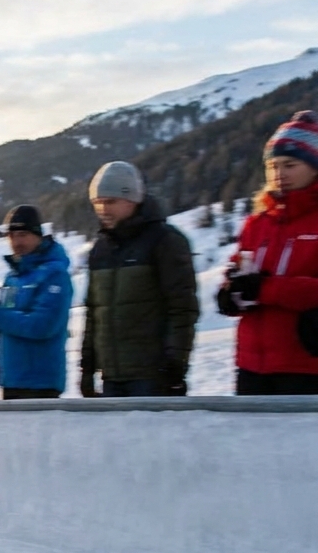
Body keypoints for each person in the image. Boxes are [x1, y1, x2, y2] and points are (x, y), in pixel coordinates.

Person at [217, 111, 318, 394]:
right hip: (252, 364)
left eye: (290, 165)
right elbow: (241, 266)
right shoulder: (258, 221)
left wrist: (265, 289)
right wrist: (230, 290)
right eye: (272, 166)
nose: (279, 174)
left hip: (305, 365)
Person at [81, 162, 199, 397]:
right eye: (98, 202)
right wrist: (88, 367)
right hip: (112, 377)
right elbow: (95, 313)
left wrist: (175, 365)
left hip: (152, 375)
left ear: (133, 199)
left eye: (111, 201)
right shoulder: (101, 249)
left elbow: (182, 308)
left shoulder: (165, 241)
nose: (103, 209)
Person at [0, 205, 73, 399]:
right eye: (12, 236)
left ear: (38, 235)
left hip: (40, 382)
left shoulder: (55, 274)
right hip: (11, 380)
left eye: (23, 234)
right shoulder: (13, 277)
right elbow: (2, 327)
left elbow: (43, 326)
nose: (16, 241)